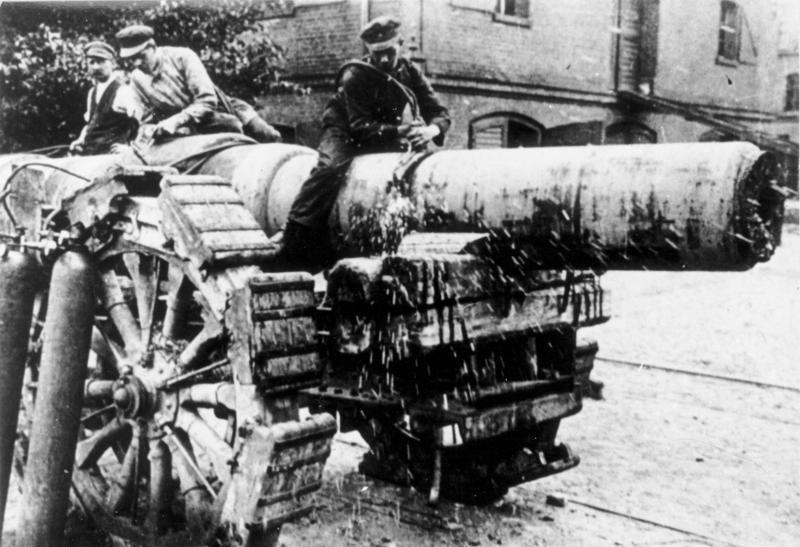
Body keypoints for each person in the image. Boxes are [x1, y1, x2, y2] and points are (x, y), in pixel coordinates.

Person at [281, 15, 451, 268]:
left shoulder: (409, 71)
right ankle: (294, 233)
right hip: (345, 129)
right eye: (377, 53)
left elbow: (439, 111)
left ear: (401, 44)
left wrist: (431, 131)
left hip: (384, 131)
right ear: (368, 51)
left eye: (389, 52)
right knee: (329, 169)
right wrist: (403, 130)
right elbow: (360, 128)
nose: (384, 59)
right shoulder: (355, 76)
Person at [114, 24, 281, 142]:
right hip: (180, 127)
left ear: (152, 46)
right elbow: (145, 119)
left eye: (140, 56)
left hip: (216, 111)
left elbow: (207, 100)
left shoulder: (182, 57)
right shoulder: (137, 79)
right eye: (130, 60)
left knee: (264, 134)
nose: (136, 64)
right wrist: (152, 129)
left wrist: (177, 121)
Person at [69, 41, 140, 155]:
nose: (96, 67)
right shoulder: (92, 92)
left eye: (101, 62)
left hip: (112, 157)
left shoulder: (123, 91)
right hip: (92, 155)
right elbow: (90, 124)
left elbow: (140, 121)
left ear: (113, 64)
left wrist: (131, 149)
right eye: (92, 62)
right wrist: (80, 140)